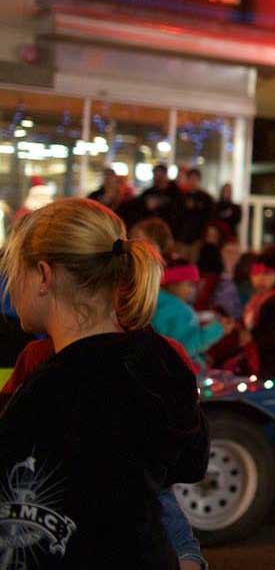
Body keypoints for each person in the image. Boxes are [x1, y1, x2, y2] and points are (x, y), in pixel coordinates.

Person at [0, 198, 209, 567]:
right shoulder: (158, 361)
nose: (9, 285)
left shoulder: (54, 392)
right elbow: (187, 466)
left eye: (14, 270)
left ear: (44, 276)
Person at [151, 258, 228, 372]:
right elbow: (184, 347)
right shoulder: (178, 309)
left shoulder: (156, 304)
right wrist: (218, 329)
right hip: (176, 373)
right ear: (173, 284)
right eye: (190, 285)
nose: (194, 290)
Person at [177, 168, 215, 257]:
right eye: (191, 179)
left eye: (195, 179)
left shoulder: (206, 199)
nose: (193, 182)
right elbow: (176, 216)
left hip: (197, 239)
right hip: (182, 238)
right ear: (187, 180)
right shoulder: (180, 197)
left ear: (199, 180)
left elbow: (208, 218)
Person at [135, 163, 183, 234]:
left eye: (159, 176)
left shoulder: (175, 192)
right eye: (155, 175)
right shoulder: (148, 193)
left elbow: (179, 212)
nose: (157, 178)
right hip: (150, 232)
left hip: (170, 231)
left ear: (165, 175)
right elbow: (138, 209)